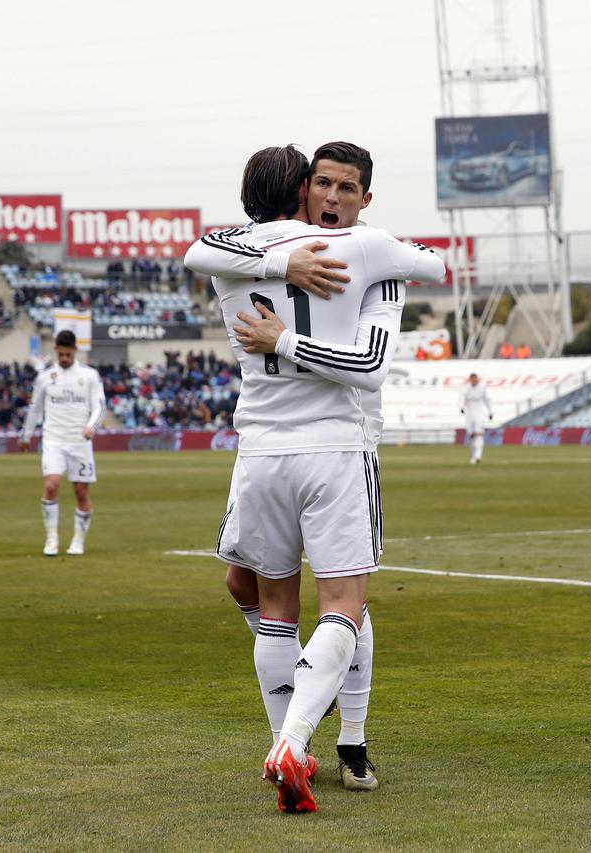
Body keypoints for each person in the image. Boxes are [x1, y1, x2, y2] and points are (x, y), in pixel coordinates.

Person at [185, 144, 444, 814]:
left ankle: (328, 739)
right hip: (333, 449)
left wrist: (277, 276)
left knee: (274, 606)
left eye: (344, 187)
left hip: (261, 453)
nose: (330, 197)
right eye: (321, 184)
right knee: (343, 604)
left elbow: (197, 251)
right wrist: (362, 253)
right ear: (303, 188)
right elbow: (434, 266)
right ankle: (298, 737)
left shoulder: (230, 257)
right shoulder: (365, 250)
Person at [20, 329, 105, 556]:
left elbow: (99, 406)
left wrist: (92, 426)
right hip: (53, 439)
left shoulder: (89, 376)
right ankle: (52, 538)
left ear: (75, 351)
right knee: (51, 485)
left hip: (80, 441)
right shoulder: (45, 378)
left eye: (69, 354)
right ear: (55, 350)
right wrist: (26, 435)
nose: (65, 358)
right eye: (61, 354)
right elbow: (35, 408)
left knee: (81, 493)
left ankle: (78, 540)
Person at [460, 373, 493, 464]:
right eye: (473, 379)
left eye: (476, 379)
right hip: (469, 413)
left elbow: (486, 400)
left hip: (479, 413)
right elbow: (461, 399)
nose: (474, 381)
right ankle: (473, 456)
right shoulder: (465, 388)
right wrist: (461, 407)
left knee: (479, 434)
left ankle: (478, 456)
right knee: (471, 435)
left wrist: (490, 412)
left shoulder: (482, 388)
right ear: (470, 380)